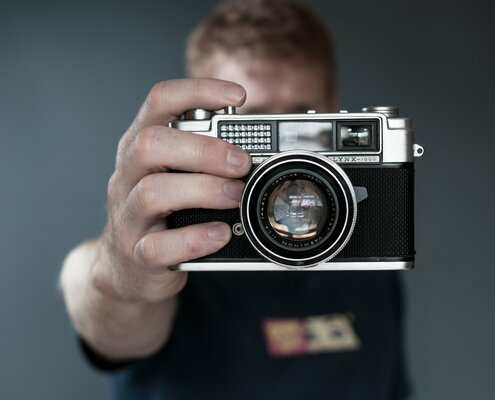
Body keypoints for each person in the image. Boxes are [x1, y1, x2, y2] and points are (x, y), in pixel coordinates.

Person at [60, 0, 410, 398]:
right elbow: (101, 302)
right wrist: (119, 273)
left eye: (302, 122)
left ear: (337, 114)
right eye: (254, 125)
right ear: (198, 124)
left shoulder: (368, 255)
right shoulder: (180, 244)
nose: (282, 157)